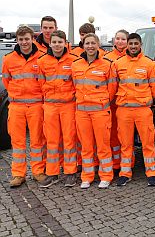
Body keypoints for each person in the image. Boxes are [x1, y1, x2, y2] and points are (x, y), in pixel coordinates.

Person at [113, 33, 155, 187]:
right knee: (125, 144)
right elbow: (113, 86)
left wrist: (147, 100)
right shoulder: (118, 63)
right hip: (124, 110)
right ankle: (125, 173)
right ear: (127, 45)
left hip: (142, 109)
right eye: (131, 43)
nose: (133, 46)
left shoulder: (150, 64)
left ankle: (152, 172)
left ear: (140, 45)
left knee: (148, 143)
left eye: (136, 43)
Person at [2, 26, 46, 187]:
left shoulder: (41, 58)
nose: (24, 42)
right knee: (17, 142)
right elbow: (7, 81)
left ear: (32, 39)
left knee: (37, 140)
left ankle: (37, 171)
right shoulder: (8, 59)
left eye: (27, 39)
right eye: (21, 39)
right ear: (17, 40)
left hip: (36, 105)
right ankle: (18, 174)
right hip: (16, 106)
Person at [72, 33, 117, 189]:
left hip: (100, 112)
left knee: (103, 146)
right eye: (87, 43)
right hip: (82, 113)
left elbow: (112, 89)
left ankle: (106, 176)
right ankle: (87, 176)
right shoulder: (76, 65)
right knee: (86, 146)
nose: (90, 46)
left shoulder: (107, 64)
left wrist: (101, 102)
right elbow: (74, 86)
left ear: (98, 45)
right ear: (83, 45)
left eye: (93, 43)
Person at [37, 30, 80, 188]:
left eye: (60, 42)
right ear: (50, 43)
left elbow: (77, 83)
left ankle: (70, 172)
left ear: (65, 43)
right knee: (51, 140)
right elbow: (41, 83)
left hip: (68, 105)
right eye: (54, 42)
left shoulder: (74, 61)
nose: (57, 45)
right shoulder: (42, 61)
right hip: (50, 106)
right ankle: (52, 172)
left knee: (69, 139)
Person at [104, 29, 129, 174]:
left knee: (125, 136)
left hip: (125, 102)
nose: (120, 41)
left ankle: (127, 163)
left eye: (123, 39)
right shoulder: (107, 57)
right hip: (111, 103)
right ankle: (115, 164)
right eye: (117, 38)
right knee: (112, 135)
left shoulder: (131, 55)